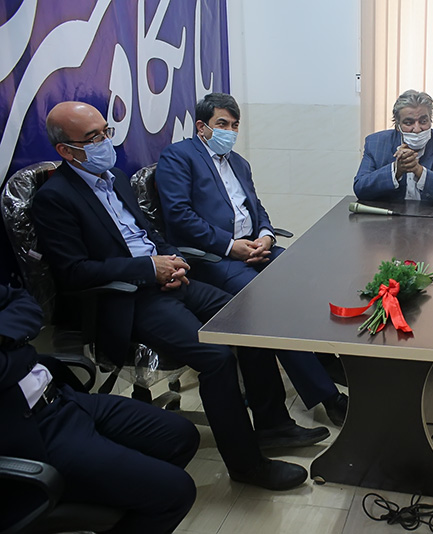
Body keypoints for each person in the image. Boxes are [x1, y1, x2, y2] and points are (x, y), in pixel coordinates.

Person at [31, 101, 328, 491]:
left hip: (168, 279)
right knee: (216, 357)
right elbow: (73, 272)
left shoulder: (115, 178)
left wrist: (172, 259)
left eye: (106, 131)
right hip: (127, 299)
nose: (105, 142)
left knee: (249, 318)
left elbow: (149, 233)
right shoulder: (55, 198)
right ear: (66, 150)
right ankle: (247, 466)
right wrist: (147, 269)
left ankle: (273, 425)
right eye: (93, 138)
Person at [155, 93, 347, 426]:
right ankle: (327, 396)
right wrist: (231, 246)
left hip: (254, 249)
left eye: (235, 125)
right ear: (201, 127)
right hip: (212, 258)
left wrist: (266, 235)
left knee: (309, 276)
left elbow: (256, 208)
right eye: (222, 124)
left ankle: (324, 359)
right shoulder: (178, 157)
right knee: (270, 302)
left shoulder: (239, 163)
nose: (230, 131)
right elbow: (179, 217)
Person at [0, 283, 199, 533]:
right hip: (30, 433)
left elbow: (23, 301)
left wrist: (5, 338)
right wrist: (17, 346)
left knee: (181, 437)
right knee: (176, 493)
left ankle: (117, 502)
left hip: (63, 397)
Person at [353, 89, 433, 205]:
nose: (417, 129)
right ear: (397, 125)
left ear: (430, 120)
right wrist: (396, 170)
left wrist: (419, 170)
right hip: (388, 214)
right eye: (408, 123)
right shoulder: (375, 143)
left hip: (432, 215)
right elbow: (360, 189)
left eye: (423, 121)